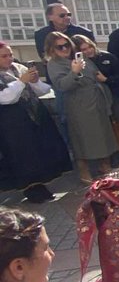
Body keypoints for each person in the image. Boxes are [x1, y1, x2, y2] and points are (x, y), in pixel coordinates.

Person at [45, 31, 119, 182]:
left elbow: (93, 71)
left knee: (104, 133)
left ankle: (105, 164)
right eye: (60, 47)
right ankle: (83, 170)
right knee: (81, 137)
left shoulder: (79, 57)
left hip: (97, 100)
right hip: (79, 104)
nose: (65, 49)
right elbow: (61, 85)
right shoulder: (54, 64)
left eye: (67, 45)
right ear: (52, 49)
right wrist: (74, 73)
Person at [0, 43, 70, 199]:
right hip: (11, 121)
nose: (9, 59)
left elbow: (43, 90)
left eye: (10, 54)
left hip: (33, 115)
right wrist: (21, 82)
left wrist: (35, 81)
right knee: (22, 155)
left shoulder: (18, 68)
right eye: (4, 56)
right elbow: (6, 98)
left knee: (40, 151)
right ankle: (31, 189)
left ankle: (42, 184)